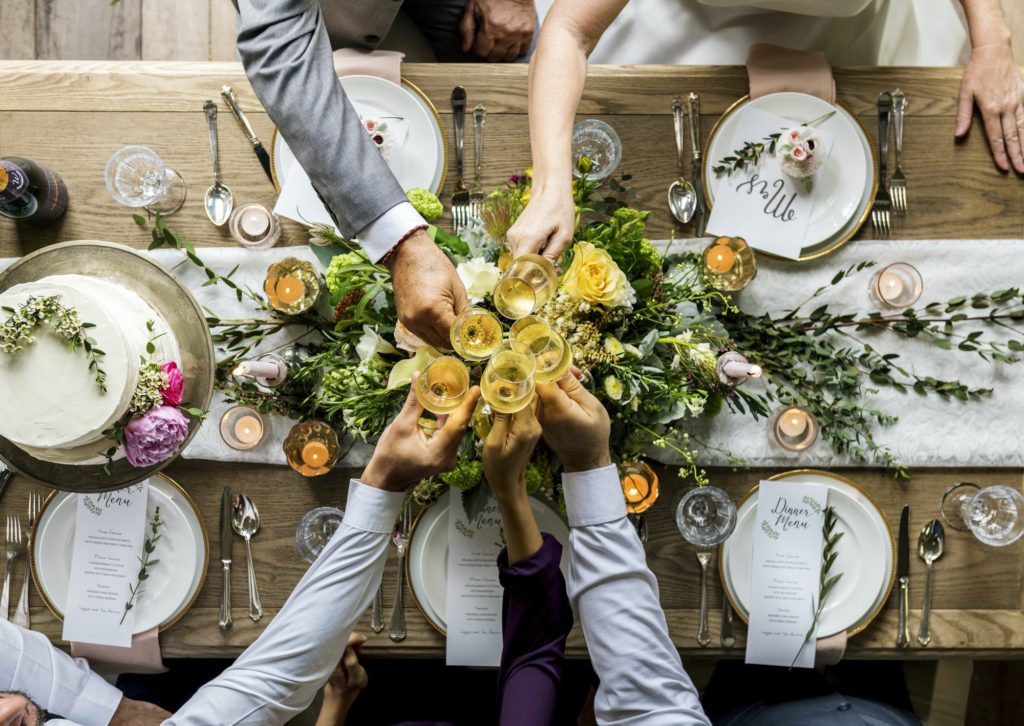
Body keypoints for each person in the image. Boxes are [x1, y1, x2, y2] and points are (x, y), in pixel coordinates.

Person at [511, 0, 1023, 262]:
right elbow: (570, 30)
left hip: (857, 43)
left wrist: (992, 42)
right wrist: (552, 184)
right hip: (693, 44)